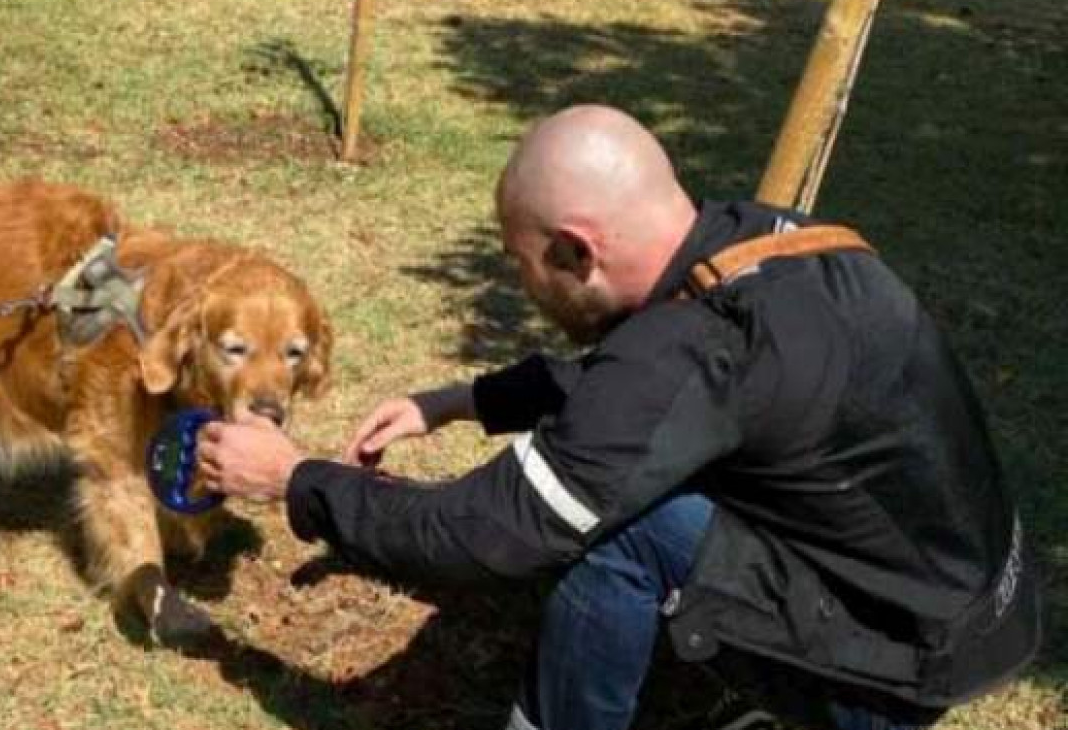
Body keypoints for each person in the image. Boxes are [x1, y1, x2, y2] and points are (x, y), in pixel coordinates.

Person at [194, 105, 1040, 730]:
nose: (524, 288)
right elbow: (646, 384)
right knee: (641, 473)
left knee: (612, 524)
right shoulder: (771, 243)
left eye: (522, 266)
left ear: (576, 249)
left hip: (899, 676)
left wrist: (294, 479)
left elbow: (485, 532)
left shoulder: (684, 352)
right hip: (979, 605)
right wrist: (458, 403)